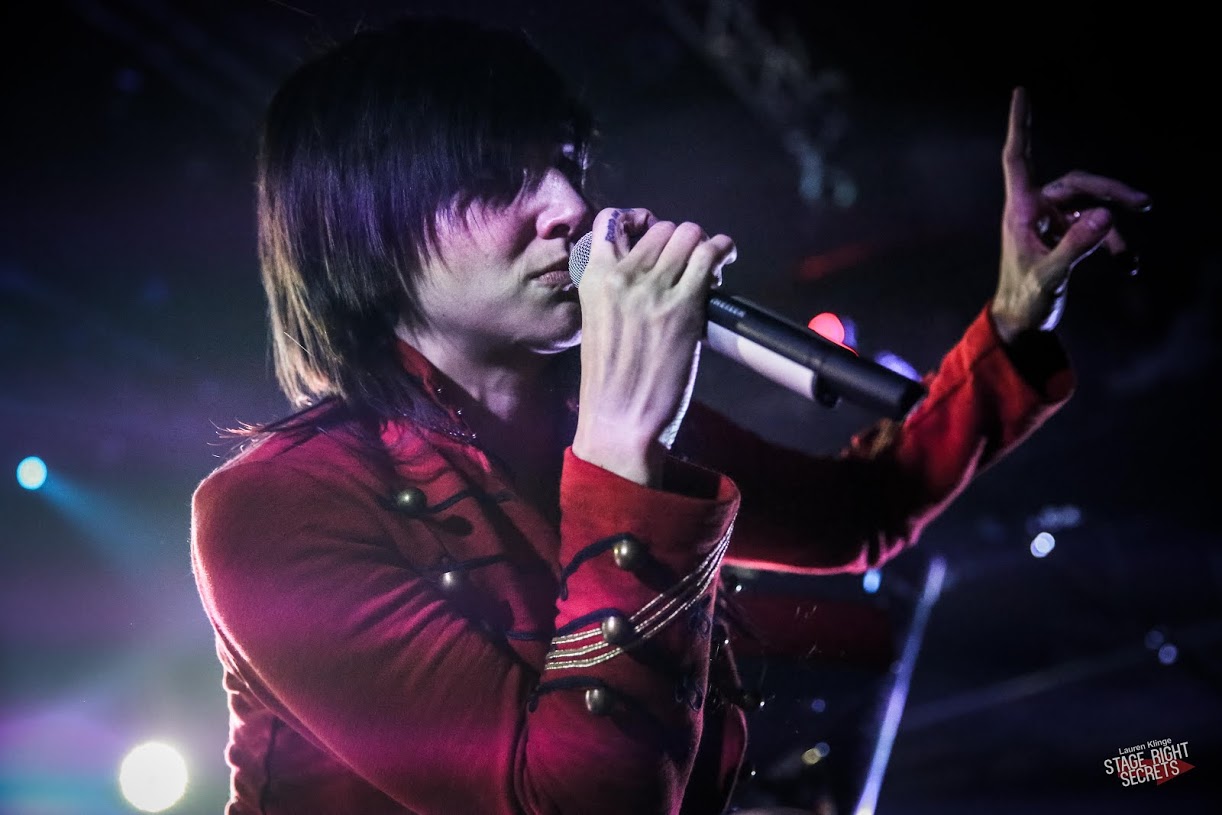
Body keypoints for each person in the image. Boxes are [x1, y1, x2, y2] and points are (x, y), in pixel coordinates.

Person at [188, 13, 1150, 815]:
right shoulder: (275, 507)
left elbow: (856, 512)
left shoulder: (582, 423)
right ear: (364, 229)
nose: (570, 206)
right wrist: (621, 444)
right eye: (496, 179)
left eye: (568, 164)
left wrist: (1014, 318)